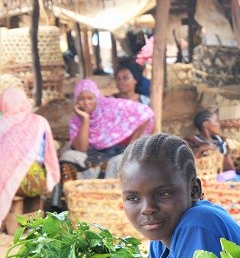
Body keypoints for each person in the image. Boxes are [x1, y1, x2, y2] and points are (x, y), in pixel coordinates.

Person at [119, 133, 240, 258]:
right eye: (133, 198)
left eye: (163, 194)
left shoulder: (197, 224)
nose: (148, 209)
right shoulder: (159, 241)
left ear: (194, 190)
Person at [60, 78, 154, 181]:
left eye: (90, 98)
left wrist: (132, 145)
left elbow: (146, 113)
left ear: (97, 98)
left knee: (118, 161)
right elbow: (81, 149)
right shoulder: (76, 120)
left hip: (115, 153)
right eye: (81, 99)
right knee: (67, 156)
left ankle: (108, 190)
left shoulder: (111, 106)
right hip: (92, 157)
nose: (86, 102)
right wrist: (85, 119)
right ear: (76, 101)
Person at [0, 87, 59, 226]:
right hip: (38, 183)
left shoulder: (2, 124)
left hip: (14, 184)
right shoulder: (40, 121)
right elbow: (49, 155)